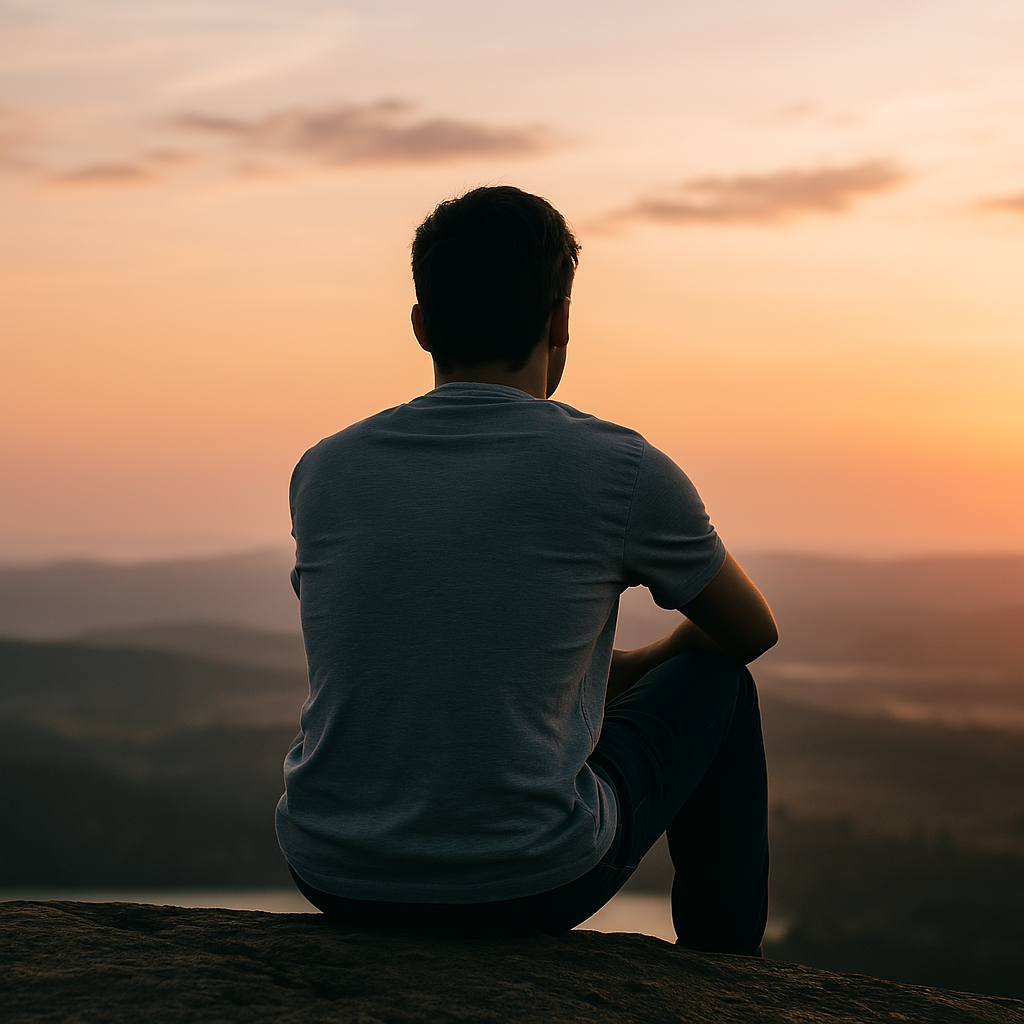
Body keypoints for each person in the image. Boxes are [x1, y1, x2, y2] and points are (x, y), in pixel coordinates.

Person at [276, 185, 778, 954]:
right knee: (722, 689)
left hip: (331, 867)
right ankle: (726, 978)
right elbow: (749, 631)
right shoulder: (620, 467)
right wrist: (639, 666)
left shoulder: (325, 468)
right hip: (530, 880)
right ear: (560, 319)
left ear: (421, 327)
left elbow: (409, 638)